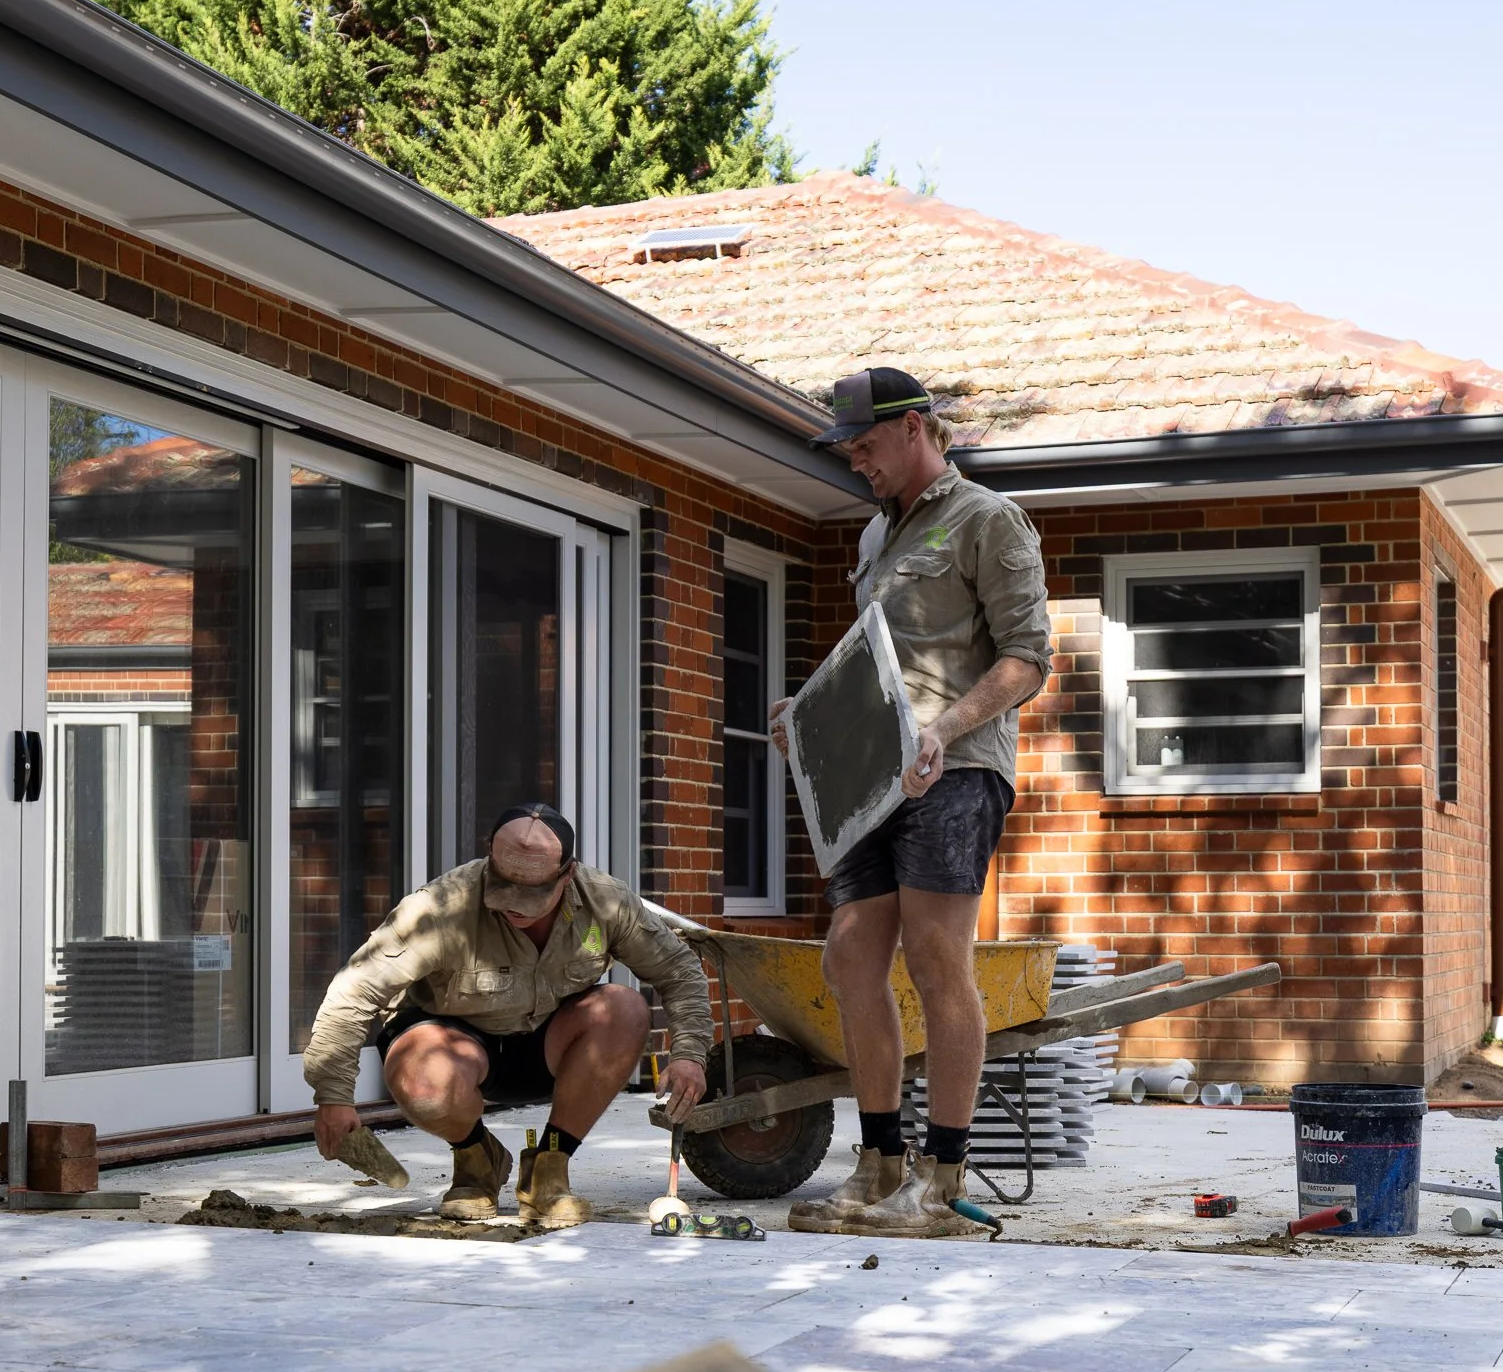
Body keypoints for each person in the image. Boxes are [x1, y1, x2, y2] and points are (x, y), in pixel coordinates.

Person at [771, 368, 1051, 1238]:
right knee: (852, 956)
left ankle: (943, 1176)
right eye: (848, 451)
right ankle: (877, 1164)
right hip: (875, 778)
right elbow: (880, 663)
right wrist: (812, 709)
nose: (857, 463)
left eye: (865, 445)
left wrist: (946, 727)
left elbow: (1027, 659)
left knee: (936, 959)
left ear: (919, 427)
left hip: (958, 767)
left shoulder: (988, 520)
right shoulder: (870, 539)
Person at [303, 803, 712, 1228]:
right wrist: (333, 1096)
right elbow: (354, 991)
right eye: (503, 886)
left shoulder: (604, 901)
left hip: (548, 1044)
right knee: (425, 1077)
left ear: (566, 874)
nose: (514, 905)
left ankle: (549, 1168)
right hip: (449, 1040)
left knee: (624, 1008)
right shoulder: (440, 907)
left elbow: (680, 973)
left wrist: (689, 1056)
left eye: (532, 893)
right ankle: (477, 1158)